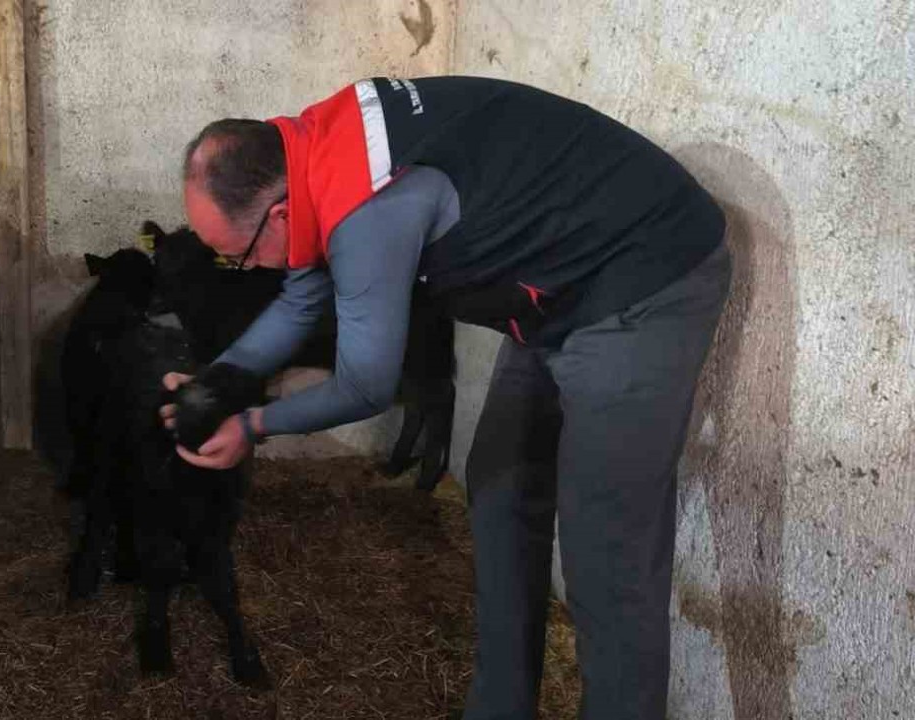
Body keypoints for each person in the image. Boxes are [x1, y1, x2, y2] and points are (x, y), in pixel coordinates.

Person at [159, 76, 731, 719]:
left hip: (639, 272)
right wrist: (217, 381)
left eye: (239, 258)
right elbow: (301, 299)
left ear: (280, 212)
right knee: (500, 484)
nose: (253, 270)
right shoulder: (307, 154)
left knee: (605, 550)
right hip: (555, 285)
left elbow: (365, 384)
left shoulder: (365, 205)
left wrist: (254, 424)